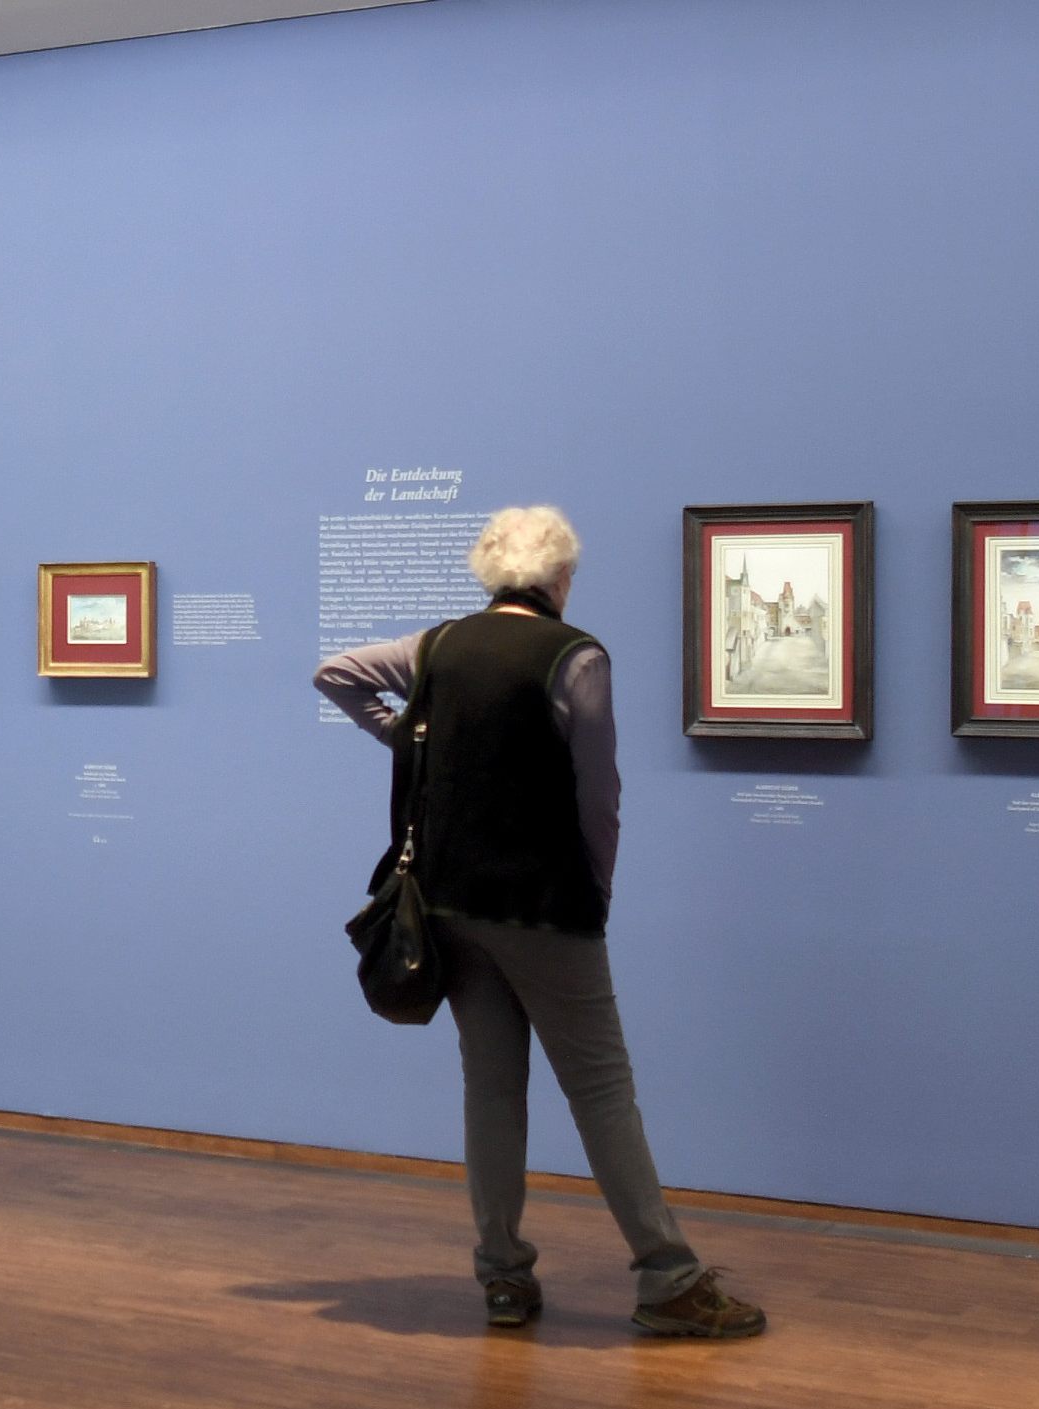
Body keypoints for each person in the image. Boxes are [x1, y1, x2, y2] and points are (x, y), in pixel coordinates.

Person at [315, 505, 765, 1339]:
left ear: (491, 573)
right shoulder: (574, 656)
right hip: (547, 907)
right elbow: (600, 796)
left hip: (450, 907)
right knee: (601, 1092)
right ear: (562, 578)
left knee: (491, 1089)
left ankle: (503, 1279)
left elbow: (336, 672)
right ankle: (667, 1279)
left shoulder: (438, 647)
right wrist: (598, 888)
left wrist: (413, 740)